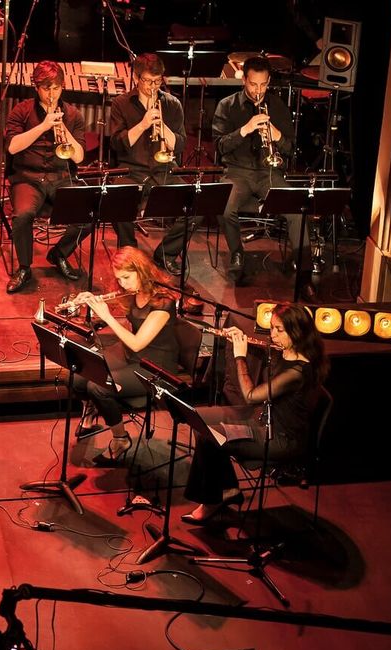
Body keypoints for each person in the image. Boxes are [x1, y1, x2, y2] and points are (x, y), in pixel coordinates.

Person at [181, 303, 326, 524]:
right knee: (201, 422)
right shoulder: (287, 350)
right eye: (272, 329)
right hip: (264, 420)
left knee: (209, 437)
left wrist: (240, 356)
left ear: (297, 332)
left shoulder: (298, 372)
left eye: (279, 330)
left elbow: (250, 395)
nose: (273, 335)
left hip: (281, 438)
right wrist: (240, 336)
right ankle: (228, 489)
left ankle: (212, 500)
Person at [66, 247, 179, 466]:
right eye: (119, 279)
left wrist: (106, 316)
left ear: (141, 271)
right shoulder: (134, 293)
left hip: (156, 367)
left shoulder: (164, 302)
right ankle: (91, 412)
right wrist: (91, 300)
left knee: (98, 387)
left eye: (127, 277)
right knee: (78, 371)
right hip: (133, 355)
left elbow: (138, 342)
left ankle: (120, 439)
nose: (123, 284)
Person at [213, 55, 303, 289]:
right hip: (237, 172)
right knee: (224, 205)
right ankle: (237, 253)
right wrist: (245, 129)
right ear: (244, 80)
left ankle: (303, 268)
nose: (258, 90)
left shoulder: (279, 107)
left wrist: (278, 136)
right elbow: (219, 146)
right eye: (253, 84)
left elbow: (291, 149)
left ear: (269, 80)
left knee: (297, 209)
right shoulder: (227, 105)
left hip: (269, 172)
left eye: (263, 84)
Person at [4, 61, 88, 294]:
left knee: (90, 213)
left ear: (63, 86)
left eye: (56, 88)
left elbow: (79, 157)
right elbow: (12, 147)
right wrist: (42, 127)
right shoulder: (21, 111)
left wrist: (63, 127)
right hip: (28, 178)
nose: (52, 94)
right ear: (36, 87)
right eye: (46, 88)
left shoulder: (72, 114)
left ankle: (59, 253)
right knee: (22, 216)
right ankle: (24, 268)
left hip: (60, 176)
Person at [107, 54, 193, 271]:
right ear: (137, 78)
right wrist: (144, 124)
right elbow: (117, 144)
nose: (152, 86)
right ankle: (131, 254)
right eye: (147, 81)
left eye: (157, 81)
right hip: (131, 171)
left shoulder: (172, 104)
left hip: (164, 170)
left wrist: (163, 126)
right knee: (115, 199)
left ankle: (165, 254)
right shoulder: (121, 103)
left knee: (197, 205)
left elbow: (180, 144)